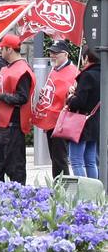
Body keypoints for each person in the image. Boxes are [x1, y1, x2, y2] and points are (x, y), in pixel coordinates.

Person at [31, 40, 78, 178]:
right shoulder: (55, 69)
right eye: (51, 52)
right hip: (51, 120)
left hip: (62, 121)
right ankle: (58, 186)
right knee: (55, 158)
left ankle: (63, 188)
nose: (52, 55)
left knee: (60, 159)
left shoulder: (73, 72)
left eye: (56, 53)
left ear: (65, 54)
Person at [0, 33, 33, 184]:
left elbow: (22, 98)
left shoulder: (22, 70)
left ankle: (19, 200)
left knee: (14, 167)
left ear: (9, 49)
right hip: (3, 124)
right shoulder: (9, 67)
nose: (0, 52)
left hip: (13, 125)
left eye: (2, 48)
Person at [66, 48, 101, 179]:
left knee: (76, 160)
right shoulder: (103, 73)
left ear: (86, 58)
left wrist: (70, 97)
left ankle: (84, 194)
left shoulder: (87, 75)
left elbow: (79, 102)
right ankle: (95, 193)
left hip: (81, 123)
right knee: (91, 161)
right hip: (95, 121)